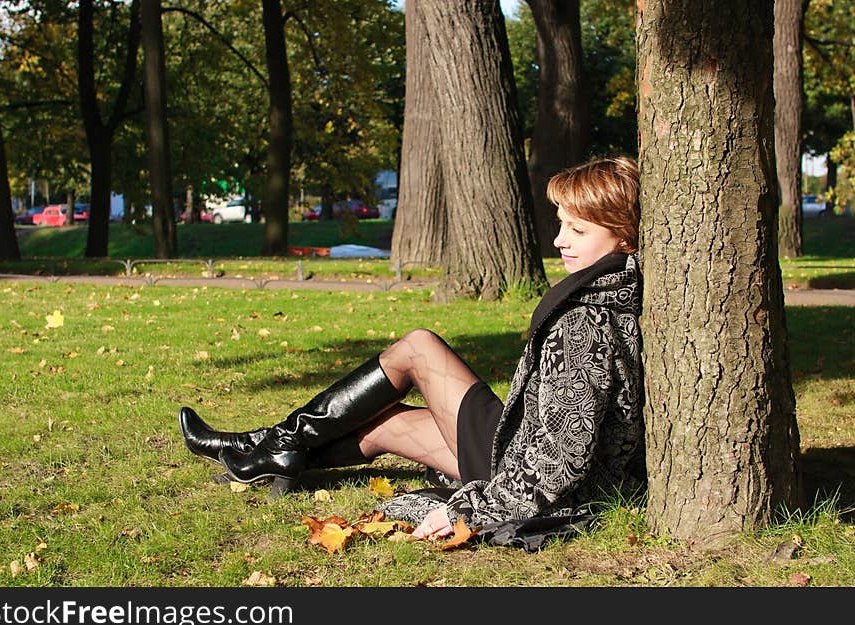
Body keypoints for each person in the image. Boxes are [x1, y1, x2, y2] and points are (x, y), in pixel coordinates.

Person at [179, 155, 645, 545]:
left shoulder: (588, 324)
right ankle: (265, 452)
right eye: (561, 225)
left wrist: (474, 509)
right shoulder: (611, 294)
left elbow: (558, 462)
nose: (561, 241)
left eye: (578, 231)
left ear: (623, 237)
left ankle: (271, 446)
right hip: (519, 446)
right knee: (383, 424)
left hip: (521, 469)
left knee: (419, 348)